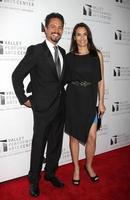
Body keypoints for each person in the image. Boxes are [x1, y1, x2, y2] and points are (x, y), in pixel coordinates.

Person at [12, 13, 66, 197]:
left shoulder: (63, 52)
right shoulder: (35, 51)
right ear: (45, 28)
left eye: (60, 27)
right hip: (42, 109)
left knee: (55, 145)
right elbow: (17, 75)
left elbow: (59, 81)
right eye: (53, 26)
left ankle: (50, 173)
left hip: (60, 108)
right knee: (38, 146)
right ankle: (34, 180)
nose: (56, 30)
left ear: (63, 30)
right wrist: (23, 98)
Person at [65, 23, 106, 185]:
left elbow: (101, 82)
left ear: (88, 36)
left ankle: (88, 166)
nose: (82, 38)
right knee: (74, 137)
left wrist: (101, 102)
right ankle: (76, 168)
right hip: (73, 99)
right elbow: (60, 79)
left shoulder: (97, 55)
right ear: (74, 37)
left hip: (90, 100)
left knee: (92, 137)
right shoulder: (69, 57)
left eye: (84, 34)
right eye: (78, 34)